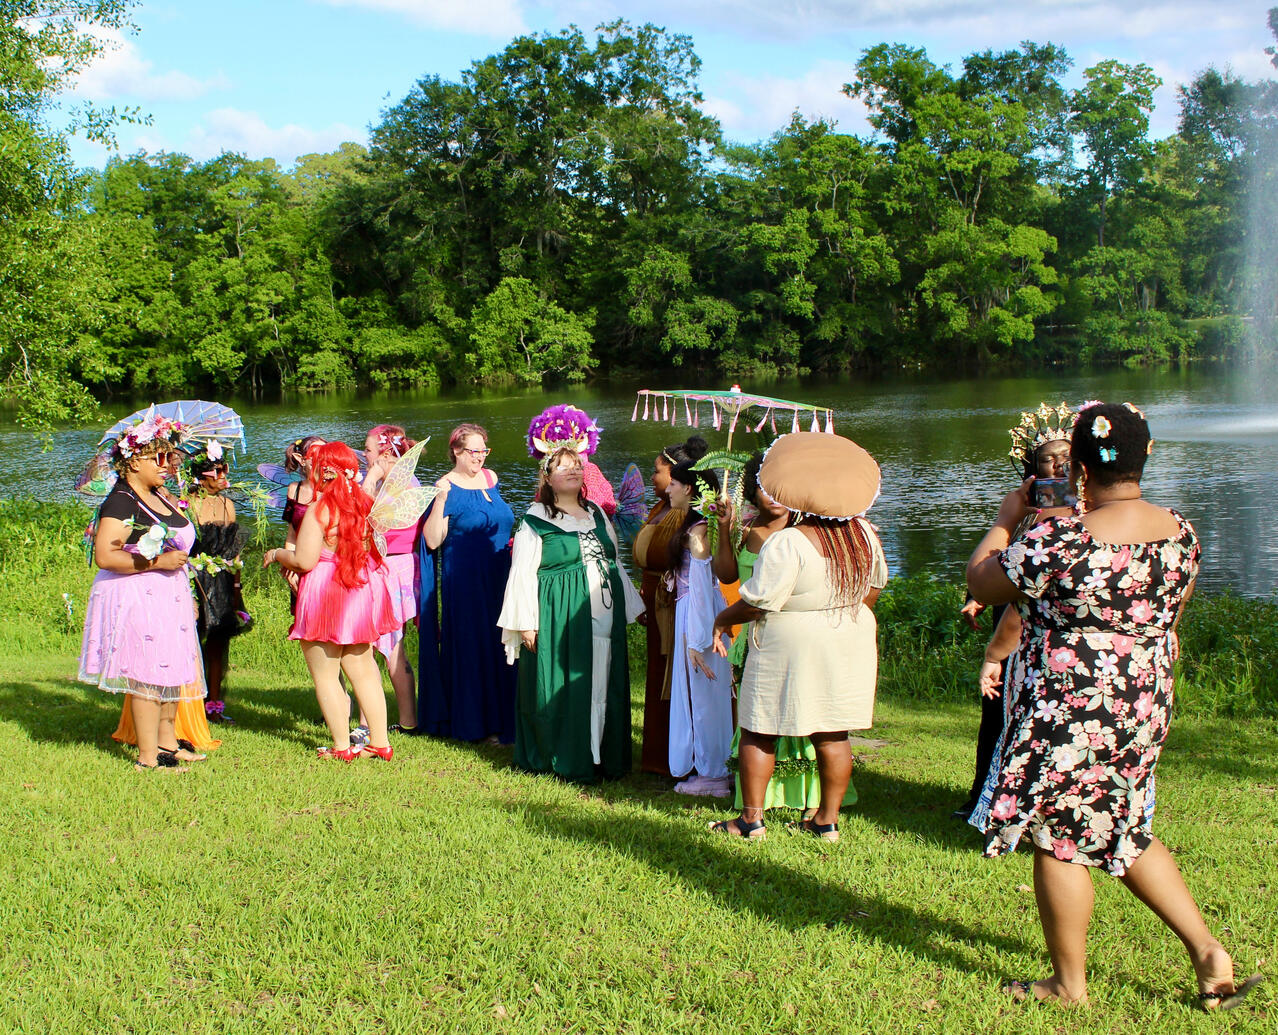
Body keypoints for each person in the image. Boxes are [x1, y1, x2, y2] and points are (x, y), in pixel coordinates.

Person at [966, 402, 1262, 1010]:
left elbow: (981, 583)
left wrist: (1005, 520)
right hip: (1143, 697)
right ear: (1144, 455)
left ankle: (1068, 984)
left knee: (1057, 834)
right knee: (1123, 821)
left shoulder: (1060, 537)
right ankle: (1208, 952)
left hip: (1070, 702)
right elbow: (1171, 611)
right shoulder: (1181, 530)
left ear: (1076, 465)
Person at [710, 433, 889, 840]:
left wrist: (723, 618)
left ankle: (750, 819)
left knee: (760, 727)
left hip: (790, 642)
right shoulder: (864, 535)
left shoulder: (789, 540)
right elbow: (874, 590)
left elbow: (758, 601)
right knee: (832, 730)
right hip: (848, 635)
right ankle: (827, 820)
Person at [955, 403, 1075, 820]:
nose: (1058, 467)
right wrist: (980, 597)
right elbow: (1005, 561)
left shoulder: (1085, 511)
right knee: (996, 708)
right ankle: (981, 796)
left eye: (1066, 459)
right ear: (1031, 464)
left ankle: (1031, 802)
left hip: (1048, 620)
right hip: (1011, 609)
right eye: (1048, 459)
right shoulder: (1024, 509)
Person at [498, 446, 644, 782]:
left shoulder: (595, 512)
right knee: (565, 682)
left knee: (600, 676)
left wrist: (634, 608)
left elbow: (614, 562)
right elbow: (521, 573)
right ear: (547, 478)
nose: (573, 471)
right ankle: (565, 754)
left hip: (603, 610)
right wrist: (526, 624)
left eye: (576, 465)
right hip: (559, 614)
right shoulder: (534, 519)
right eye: (563, 467)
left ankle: (600, 754)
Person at [78, 413, 206, 771]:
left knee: (172, 669)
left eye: (170, 458)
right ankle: (149, 757)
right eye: (159, 459)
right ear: (133, 461)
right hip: (138, 594)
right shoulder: (121, 501)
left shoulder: (157, 496)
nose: (168, 465)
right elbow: (106, 554)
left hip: (168, 593)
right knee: (148, 672)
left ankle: (168, 743)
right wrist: (157, 564)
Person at [264, 442, 399, 760]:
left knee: (325, 674)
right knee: (364, 669)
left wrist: (276, 554)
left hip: (327, 591)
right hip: (357, 589)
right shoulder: (365, 504)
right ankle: (380, 743)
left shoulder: (320, 509)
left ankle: (341, 747)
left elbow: (305, 561)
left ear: (322, 470)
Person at [418, 423, 516, 743]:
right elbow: (433, 541)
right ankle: (476, 723)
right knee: (474, 647)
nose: (479, 458)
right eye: (473, 451)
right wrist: (442, 501)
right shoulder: (445, 486)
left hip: (500, 576)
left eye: (483, 451)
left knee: (501, 644)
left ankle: (506, 719)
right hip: (465, 583)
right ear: (456, 452)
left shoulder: (493, 479)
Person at [632, 435, 708, 776]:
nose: (654, 477)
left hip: (674, 601)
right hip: (657, 595)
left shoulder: (686, 516)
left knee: (673, 676)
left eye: (659, 471)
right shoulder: (664, 506)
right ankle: (659, 754)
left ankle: (675, 756)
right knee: (659, 674)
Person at [663, 459, 734, 796]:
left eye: (673, 484)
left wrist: (699, 638)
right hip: (690, 610)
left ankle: (715, 774)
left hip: (698, 614)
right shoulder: (695, 528)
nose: (667, 489)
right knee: (699, 694)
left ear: (688, 488)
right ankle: (709, 767)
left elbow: (704, 586)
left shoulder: (699, 532)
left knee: (706, 696)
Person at [186, 444, 249, 725]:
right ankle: (189, 701)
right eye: (218, 470)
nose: (225, 475)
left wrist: (236, 588)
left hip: (221, 580)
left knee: (218, 643)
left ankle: (214, 704)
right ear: (201, 475)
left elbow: (234, 552)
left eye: (225, 469)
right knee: (192, 641)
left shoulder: (227, 504)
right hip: (194, 578)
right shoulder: (186, 503)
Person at [363, 423, 419, 733]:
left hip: (388, 572)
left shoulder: (393, 486)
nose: (365, 455)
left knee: (378, 647)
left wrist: (370, 478)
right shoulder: (408, 480)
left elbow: (358, 519)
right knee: (390, 646)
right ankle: (406, 720)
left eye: (369, 450)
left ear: (385, 453)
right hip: (399, 570)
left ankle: (373, 722)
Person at [525, 404, 616, 515]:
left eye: (577, 468)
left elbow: (606, 507)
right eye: (563, 468)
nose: (572, 471)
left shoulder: (590, 471)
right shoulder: (589, 469)